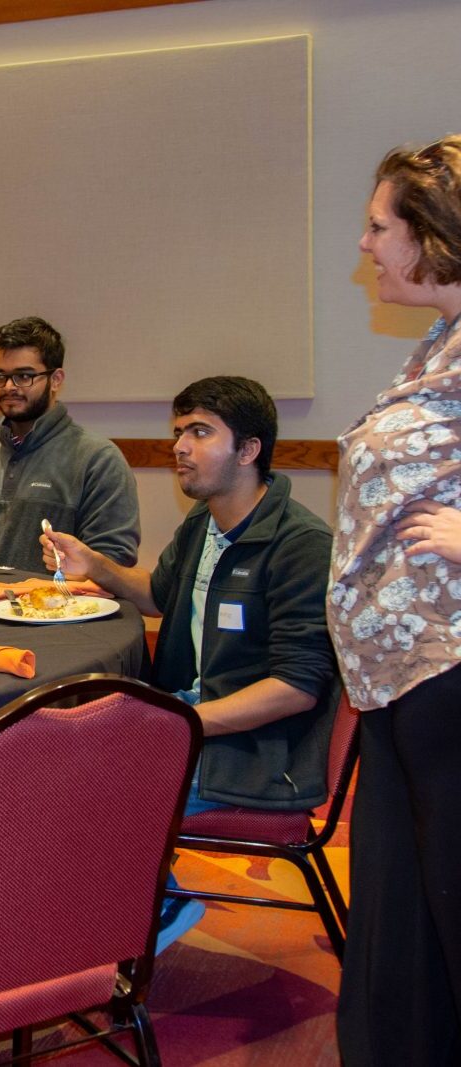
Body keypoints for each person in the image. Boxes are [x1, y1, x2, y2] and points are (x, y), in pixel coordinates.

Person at [41, 376, 337, 951]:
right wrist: (96, 565)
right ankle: (123, 903)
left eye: (200, 432)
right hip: (195, 719)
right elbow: (160, 595)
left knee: (77, 782)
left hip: (260, 748)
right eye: (179, 432)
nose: (180, 447)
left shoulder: (301, 544)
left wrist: (182, 723)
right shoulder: (203, 525)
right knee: (52, 752)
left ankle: (153, 908)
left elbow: (297, 688)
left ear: (249, 450)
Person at [333, 136, 461, 1066]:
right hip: (401, 684)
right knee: (402, 922)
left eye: (381, 227)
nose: (367, 245)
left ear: (434, 235)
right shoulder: (441, 345)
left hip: (451, 674)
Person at [0, 316, 140, 572]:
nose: (9, 387)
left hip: (51, 609)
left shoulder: (98, 460)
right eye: (0, 376)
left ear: (56, 380)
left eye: (24, 376)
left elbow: (112, 562)